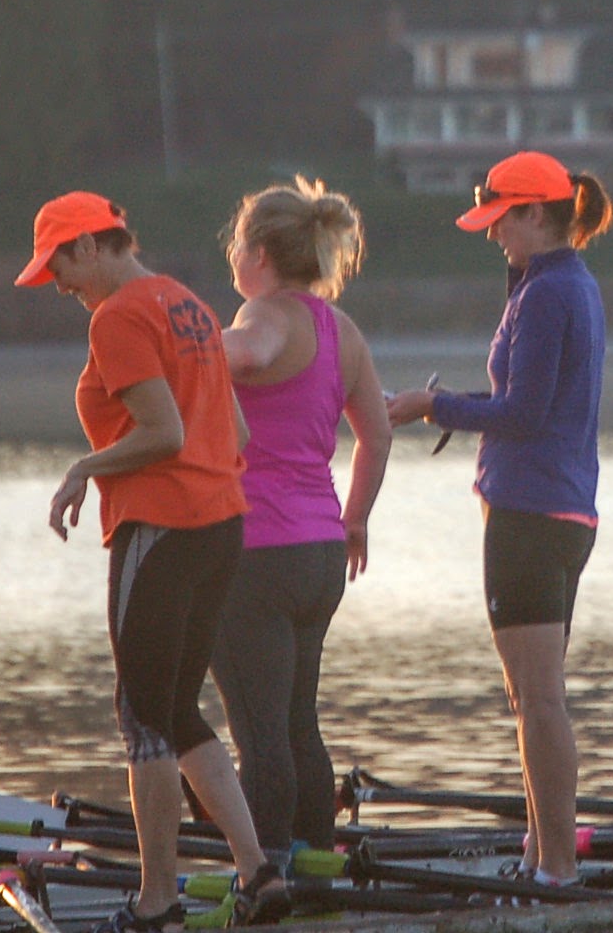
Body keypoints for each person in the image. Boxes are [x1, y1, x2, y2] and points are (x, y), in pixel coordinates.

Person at [17, 191, 276, 930]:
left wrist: (84, 469)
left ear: (93, 245)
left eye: (61, 265)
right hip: (219, 526)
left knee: (142, 720)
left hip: (160, 530)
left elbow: (163, 433)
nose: (60, 285)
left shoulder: (120, 315)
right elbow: (239, 429)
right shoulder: (189, 305)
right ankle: (259, 873)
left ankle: (157, 900)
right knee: (175, 711)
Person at [384, 150, 612, 887]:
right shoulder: (557, 283)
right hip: (561, 509)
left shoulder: (550, 294)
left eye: (501, 220)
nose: (492, 235)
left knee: (539, 700)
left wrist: (431, 407)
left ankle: (558, 869)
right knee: (530, 697)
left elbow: (523, 412)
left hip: (530, 514)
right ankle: (540, 850)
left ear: (537, 214)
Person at [210, 177, 393, 856]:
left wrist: (174, 345)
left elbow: (247, 354)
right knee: (297, 727)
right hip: (321, 552)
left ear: (258, 254)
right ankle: (315, 876)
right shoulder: (340, 329)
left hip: (255, 555)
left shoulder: (261, 314)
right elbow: (376, 433)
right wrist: (356, 520)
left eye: (236, 243)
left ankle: (265, 879)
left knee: (260, 737)